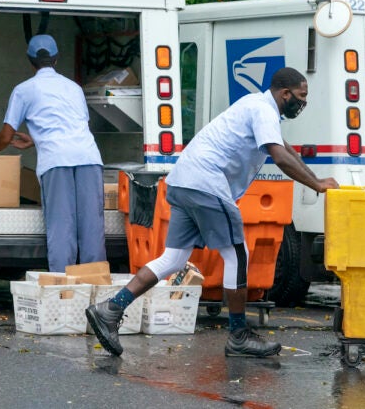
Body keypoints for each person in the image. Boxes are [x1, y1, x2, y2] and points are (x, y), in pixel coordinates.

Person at [86, 67, 339, 358]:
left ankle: (110, 309)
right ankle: (238, 334)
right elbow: (280, 157)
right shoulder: (262, 110)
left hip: (182, 181)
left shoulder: (255, 106)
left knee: (173, 258)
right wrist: (316, 183)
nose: (303, 102)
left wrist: (318, 180)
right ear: (285, 93)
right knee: (237, 253)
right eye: (301, 96)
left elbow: (284, 148)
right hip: (205, 183)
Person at [0, 34, 106, 272]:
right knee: (91, 228)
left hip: (56, 161)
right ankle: (94, 288)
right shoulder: (74, 88)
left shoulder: (24, 90)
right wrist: (36, 139)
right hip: (89, 157)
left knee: (62, 227)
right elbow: (73, 127)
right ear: (56, 59)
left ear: (30, 61)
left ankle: (63, 292)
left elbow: (5, 136)